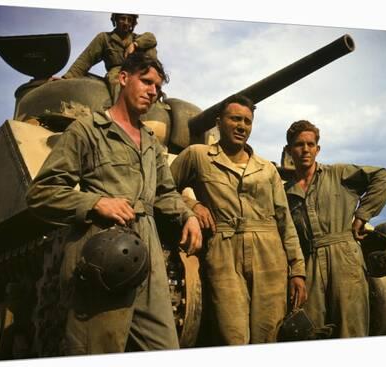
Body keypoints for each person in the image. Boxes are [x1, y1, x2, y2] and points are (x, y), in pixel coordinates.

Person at [26, 52, 202, 355]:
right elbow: (41, 192)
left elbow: (165, 192)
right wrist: (95, 202)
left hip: (149, 260)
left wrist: (188, 215)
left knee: (165, 347)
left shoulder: (150, 142)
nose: (152, 91)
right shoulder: (88, 130)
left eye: (157, 88)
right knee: (96, 347)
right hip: (103, 253)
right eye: (145, 81)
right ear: (123, 78)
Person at [169, 94, 307, 345]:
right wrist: (192, 205)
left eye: (247, 121)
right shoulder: (198, 155)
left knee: (269, 335)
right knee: (232, 336)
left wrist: (297, 270)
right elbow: (163, 189)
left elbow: (285, 221)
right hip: (224, 252)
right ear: (219, 122)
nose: (242, 126)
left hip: (270, 255)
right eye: (235, 119)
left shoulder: (266, 169)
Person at [283, 120, 386, 338]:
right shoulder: (286, 192)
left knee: (351, 327)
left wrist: (362, 216)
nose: (305, 150)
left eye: (310, 144)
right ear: (289, 150)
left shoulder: (338, 174)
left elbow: (383, 177)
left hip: (345, 257)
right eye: (298, 145)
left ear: (318, 149)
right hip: (309, 262)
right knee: (310, 330)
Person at [62, 13, 158, 102]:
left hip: (138, 70)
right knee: (118, 84)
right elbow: (85, 59)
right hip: (117, 71)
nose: (126, 23)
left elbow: (151, 38)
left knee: (150, 52)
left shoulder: (137, 38)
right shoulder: (105, 38)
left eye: (129, 20)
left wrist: (135, 44)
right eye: (122, 18)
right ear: (115, 19)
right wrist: (66, 78)